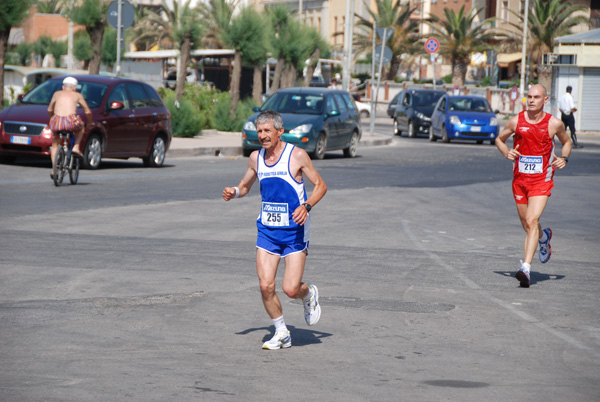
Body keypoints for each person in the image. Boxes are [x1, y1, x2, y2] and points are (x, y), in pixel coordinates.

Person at [223, 110, 327, 349]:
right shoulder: (255, 158)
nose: (262, 135)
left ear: (280, 131)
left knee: (290, 289)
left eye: (267, 130)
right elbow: (245, 185)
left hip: (294, 233)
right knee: (265, 285)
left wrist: (307, 205)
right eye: (259, 131)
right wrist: (234, 192)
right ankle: (281, 331)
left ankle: (308, 293)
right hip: (268, 231)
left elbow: (321, 185)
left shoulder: (297, 155)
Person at [496, 84, 572, 288]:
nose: (531, 100)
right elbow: (499, 139)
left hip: (542, 180)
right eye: (529, 96)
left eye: (536, 97)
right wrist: (506, 152)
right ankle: (544, 236)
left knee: (532, 220)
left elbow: (567, 142)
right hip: (520, 181)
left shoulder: (554, 124)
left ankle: (525, 268)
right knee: (526, 224)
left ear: (545, 100)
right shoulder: (516, 121)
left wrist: (564, 158)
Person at [48, 77, 92, 171]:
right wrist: (90, 122)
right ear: (74, 88)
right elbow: (87, 111)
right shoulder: (77, 95)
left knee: (55, 145)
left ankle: (53, 169)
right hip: (70, 121)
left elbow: (50, 109)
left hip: (57, 121)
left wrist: (52, 117)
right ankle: (76, 147)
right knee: (81, 126)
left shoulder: (56, 94)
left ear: (63, 87)